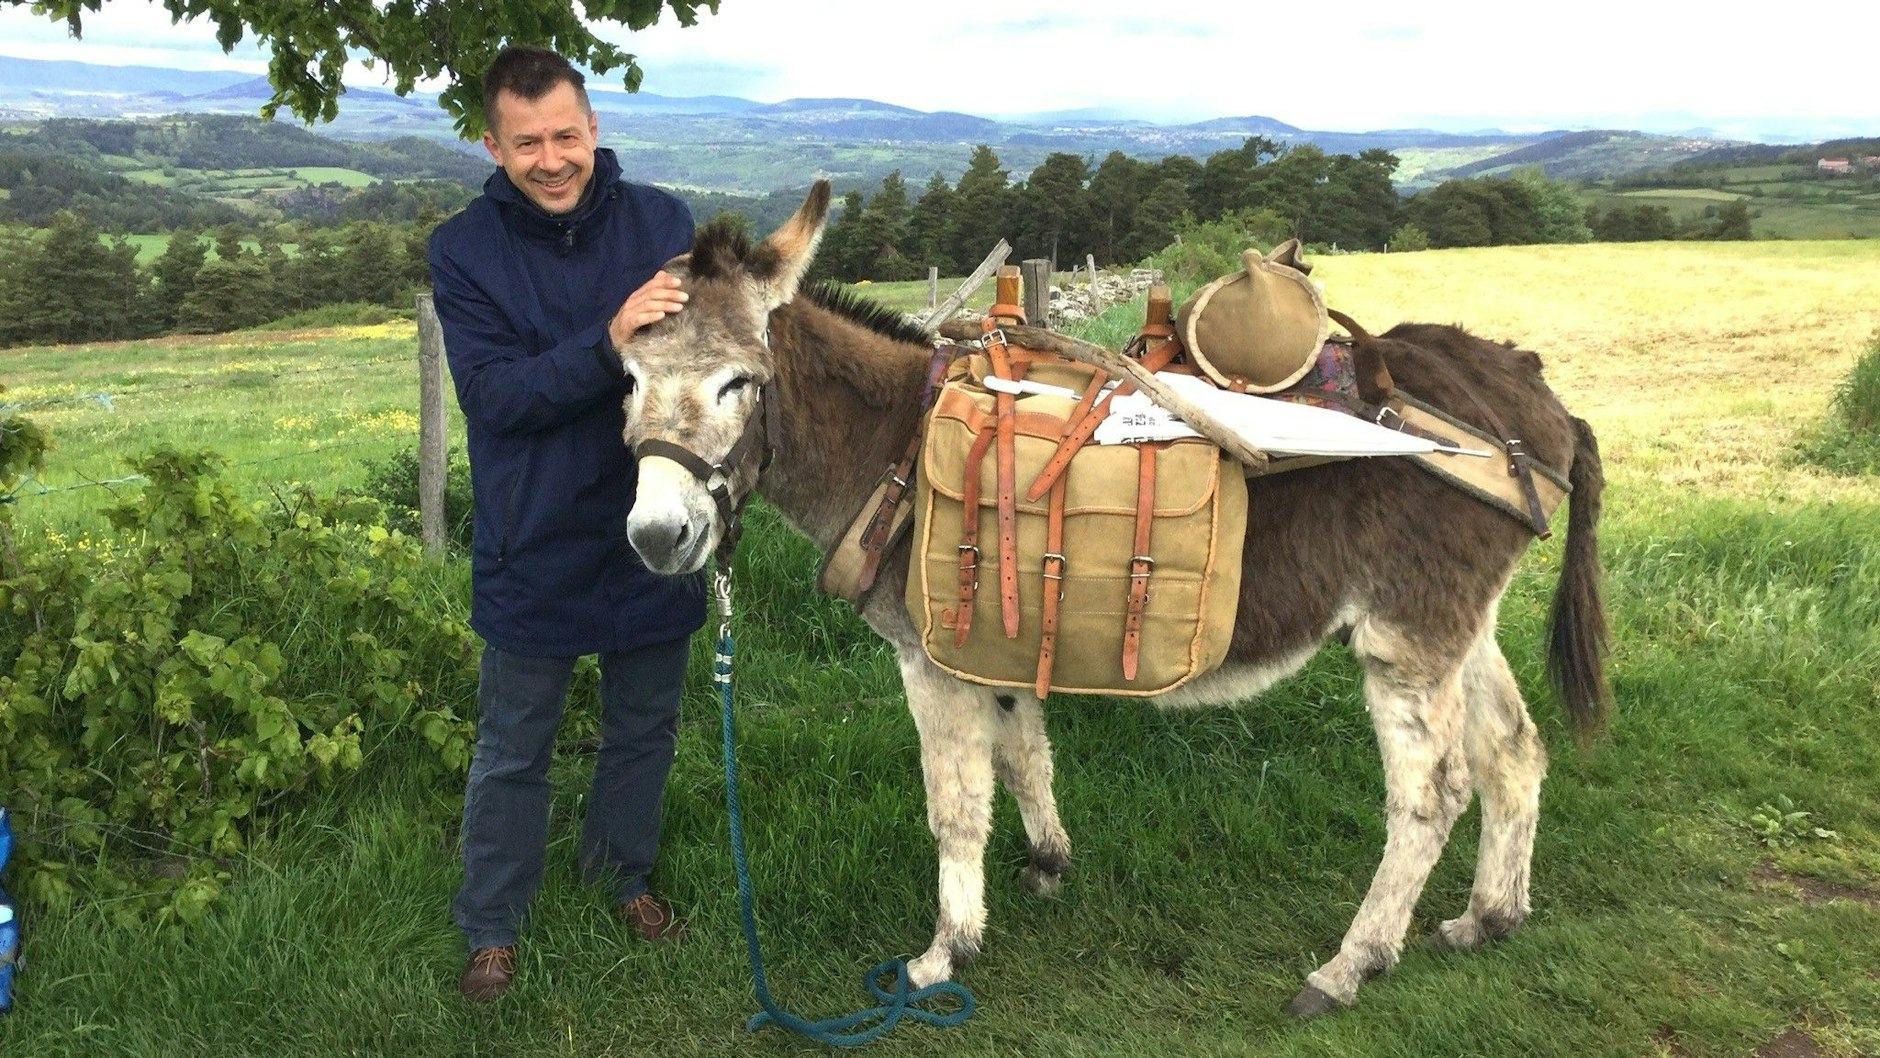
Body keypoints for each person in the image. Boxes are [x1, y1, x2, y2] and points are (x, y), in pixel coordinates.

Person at [427, 44, 701, 1003]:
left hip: (653, 526)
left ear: (595, 130)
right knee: (513, 747)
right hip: (531, 531)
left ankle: (619, 873)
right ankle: (493, 924)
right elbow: (496, 398)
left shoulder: (664, 222)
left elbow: (697, 370)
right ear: (495, 146)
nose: (552, 159)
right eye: (528, 142)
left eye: (567, 136)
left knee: (644, 729)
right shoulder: (463, 251)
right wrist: (607, 340)